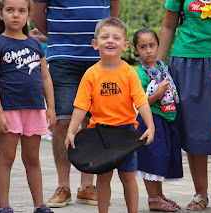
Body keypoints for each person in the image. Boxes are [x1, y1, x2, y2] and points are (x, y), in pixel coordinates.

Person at [31, 0, 120, 207]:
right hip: (63, 56)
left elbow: (113, 10)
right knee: (63, 120)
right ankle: (64, 186)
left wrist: (103, 35)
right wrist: (61, 36)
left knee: (93, 121)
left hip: (100, 56)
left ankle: (87, 185)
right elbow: (36, 14)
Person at [64, 17, 155, 213]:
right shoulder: (90, 74)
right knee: (103, 178)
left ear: (125, 45)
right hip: (100, 134)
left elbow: (141, 101)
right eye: (105, 37)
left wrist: (150, 126)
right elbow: (81, 106)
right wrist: (71, 130)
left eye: (116, 37)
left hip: (126, 132)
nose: (110, 41)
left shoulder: (130, 73)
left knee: (128, 177)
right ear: (95, 44)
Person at [157, 0, 211, 210]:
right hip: (189, 61)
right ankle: (201, 193)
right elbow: (168, 26)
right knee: (194, 130)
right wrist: (157, 68)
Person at [0, 0, 56, 212]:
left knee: (32, 158)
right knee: (7, 158)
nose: (16, 15)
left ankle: (39, 205)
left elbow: (45, 78)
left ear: (28, 15)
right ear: (1, 14)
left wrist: (50, 106)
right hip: (8, 110)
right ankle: (4, 207)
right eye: (10, 10)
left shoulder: (35, 44)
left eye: (21, 11)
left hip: (34, 110)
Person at [132, 28, 182, 212]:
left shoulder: (162, 67)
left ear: (158, 45)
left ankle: (159, 195)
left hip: (166, 117)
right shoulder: (140, 74)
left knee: (161, 158)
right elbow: (140, 101)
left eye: (152, 45)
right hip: (150, 120)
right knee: (151, 158)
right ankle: (152, 198)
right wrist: (158, 94)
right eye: (143, 47)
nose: (148, 50)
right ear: (136, 50)